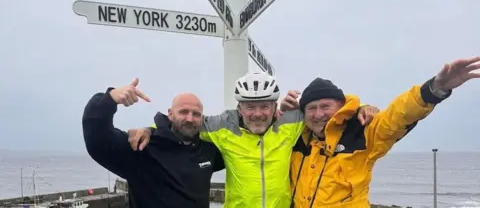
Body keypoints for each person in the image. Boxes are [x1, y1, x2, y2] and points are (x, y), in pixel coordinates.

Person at [127, 72, 379, 208]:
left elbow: (327, 110)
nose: (257, 113)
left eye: (264, 106)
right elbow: (183, 125)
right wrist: (149, 129)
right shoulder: (221, 125)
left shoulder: (292, 122)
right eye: (250, 107)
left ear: (274, 107)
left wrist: (361, 108)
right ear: (240, 108)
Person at [279, 56, 480, 208]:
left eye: (325, 106)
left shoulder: (362, 134)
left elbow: (397, 117)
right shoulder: (295, 140)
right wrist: (283, 112)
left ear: (341, 106)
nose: (318, 114)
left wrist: (435, 89)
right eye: (311, 108)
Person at [82, 78, 225, 208]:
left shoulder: (208, 151)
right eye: (183, 112)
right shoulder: (143, 147)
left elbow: (242, 152)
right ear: (170, 114)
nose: (190, 118)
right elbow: (97, 140)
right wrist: (109, 99)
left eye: (196, 114)